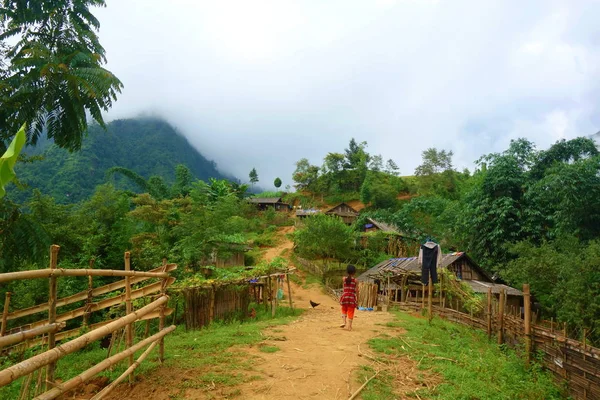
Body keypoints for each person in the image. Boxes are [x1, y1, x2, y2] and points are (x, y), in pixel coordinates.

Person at [339, 264, 359, 331]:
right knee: (351, 311)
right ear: (354, 272)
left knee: (344, 309)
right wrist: (357, 300)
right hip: (351, 297)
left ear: (347, 271)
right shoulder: (355, 281)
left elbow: (344, 288)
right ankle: (349, 326)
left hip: (344, 296)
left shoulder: (344, 279)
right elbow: (357, 291)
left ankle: (344, 322)